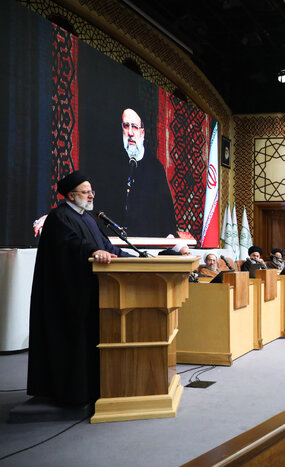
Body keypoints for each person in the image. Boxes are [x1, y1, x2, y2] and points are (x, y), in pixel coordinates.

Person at [27, 171, 134, 406]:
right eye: (85, 192)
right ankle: (72, 393)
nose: (90, 195)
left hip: (94, 291)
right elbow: (71, 245)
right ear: (71, 195)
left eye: (91, 191)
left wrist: (137, 258)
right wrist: (91, 252)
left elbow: (107, 246)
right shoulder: (59, 217)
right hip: (69, 295)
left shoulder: (89, 218)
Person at [89, 108, 177, 237]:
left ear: (142, 132)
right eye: (126, 126)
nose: (130, 132)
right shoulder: (110, 164)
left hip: (146, 242)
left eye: (134, 127)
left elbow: (165, 213)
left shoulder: (155, 168)